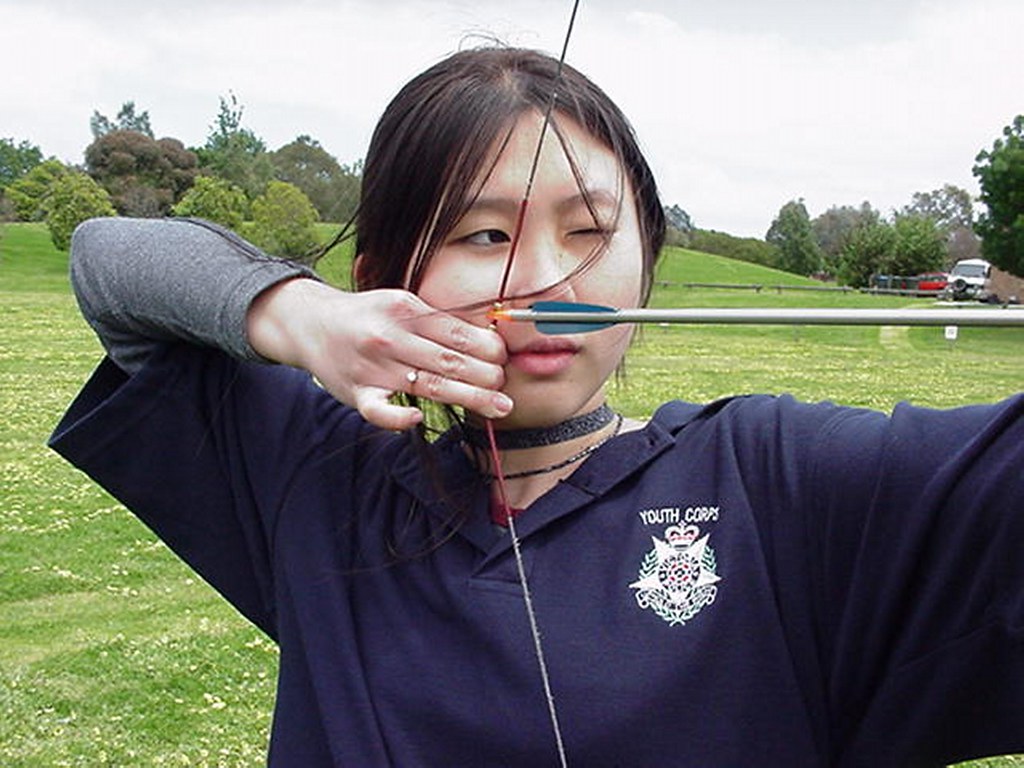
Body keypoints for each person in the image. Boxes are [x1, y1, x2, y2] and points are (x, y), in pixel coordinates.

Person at [50, 47, 1023, 767]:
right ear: (386, 278)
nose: (547, 280)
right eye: (482, 234)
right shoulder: (320, 473)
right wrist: (301, 316)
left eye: (590, 229)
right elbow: (109, 261)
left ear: (648, 258)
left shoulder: (782, 482)